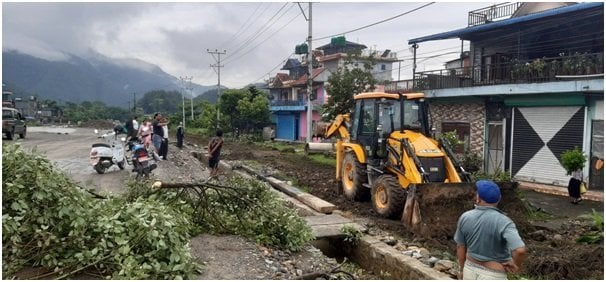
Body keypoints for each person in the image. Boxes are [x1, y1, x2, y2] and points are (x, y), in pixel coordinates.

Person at [454, 180, 527, 280]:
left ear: (478, 198)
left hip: (469, 269)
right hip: (493, 275)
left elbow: (460, 247)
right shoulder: (504, 222)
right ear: (499, 199)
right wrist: (516, 265)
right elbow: (520, 250)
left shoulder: (465, 217)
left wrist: (462, 270)